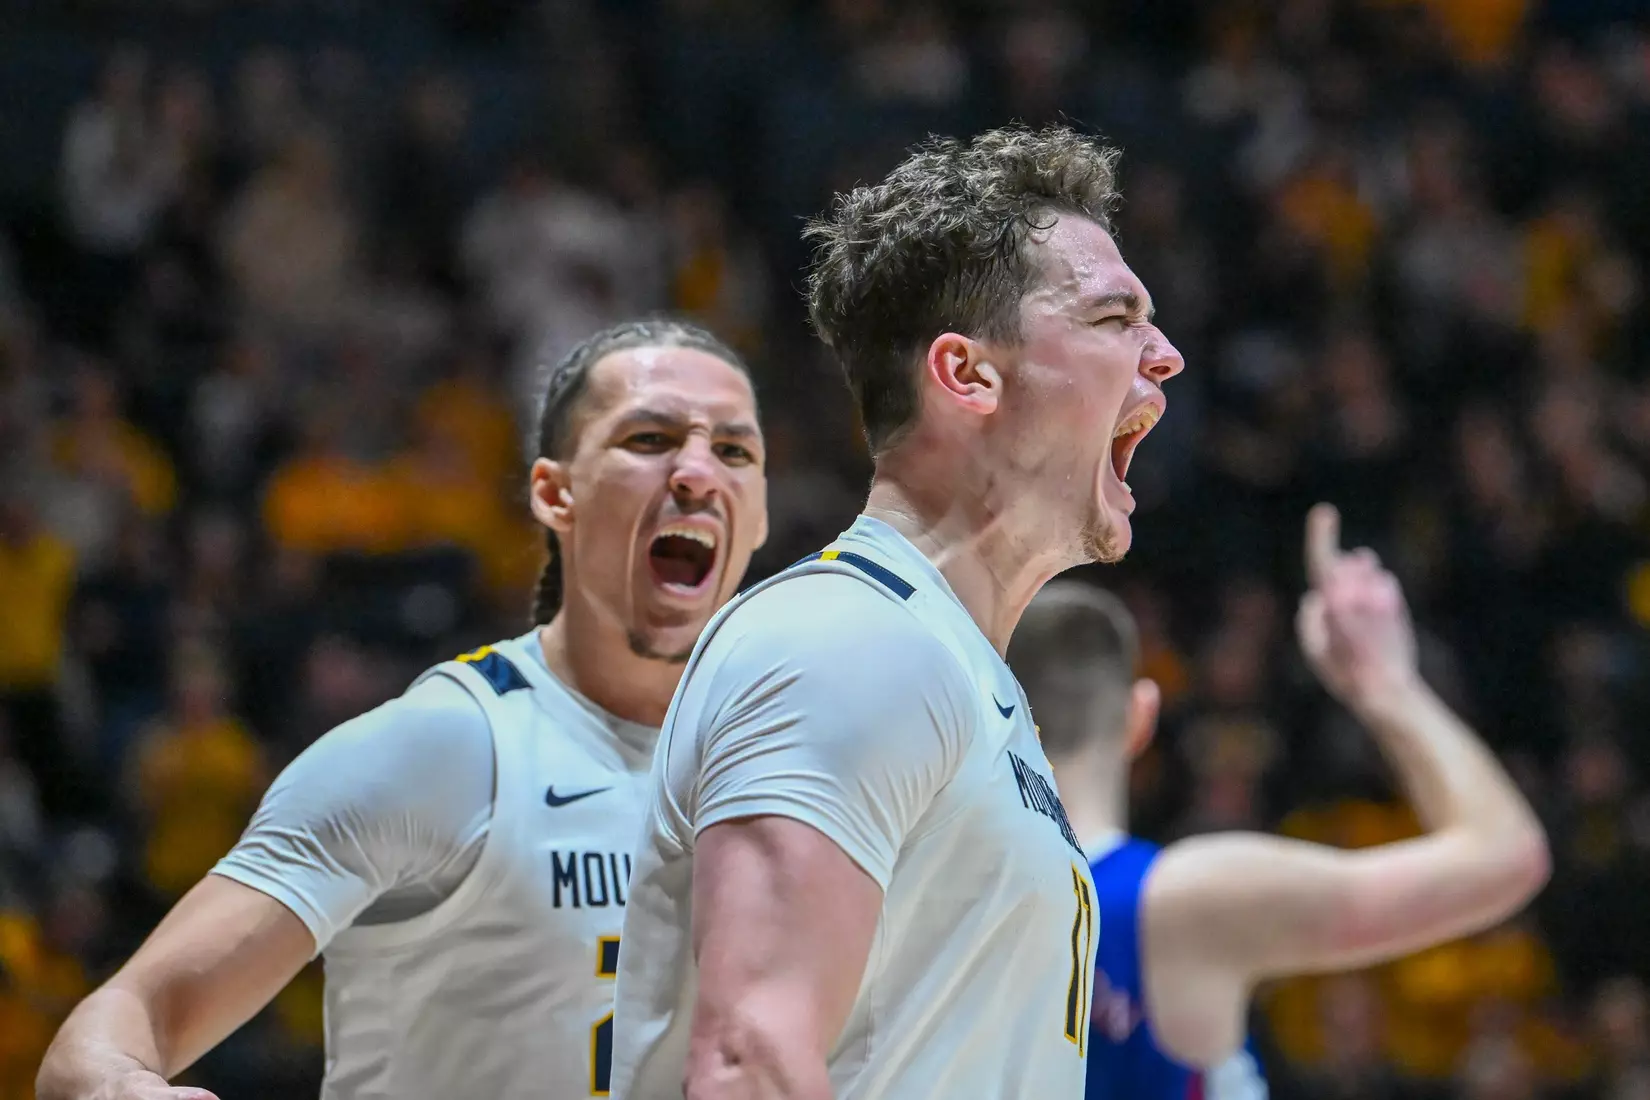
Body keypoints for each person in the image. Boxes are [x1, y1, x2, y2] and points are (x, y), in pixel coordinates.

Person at [37, 317, 770, 1100]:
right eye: (650, 439)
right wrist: (117, 1084)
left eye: (734, 451)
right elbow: (121, 1021)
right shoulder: (446, 745)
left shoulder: (796, 763)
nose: (698, 472)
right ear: (555, 493)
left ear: (758, 514)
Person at [609, 125, 1182, 1100]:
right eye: (1114, 317)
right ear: (968, 375)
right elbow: (749, 1059)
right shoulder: (850, 638)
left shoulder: (957, 677)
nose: (1164, 357)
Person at [1008, 505, 1551, 1100]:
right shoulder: (1183, 902)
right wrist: (1386, 685)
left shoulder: (944, 903)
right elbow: (1507, 856)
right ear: (1142, 717)